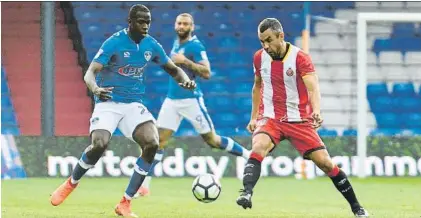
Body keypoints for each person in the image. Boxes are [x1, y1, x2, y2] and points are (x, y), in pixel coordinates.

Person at [49, 4, 196, 218]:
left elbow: (173, 69)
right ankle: (72, 183)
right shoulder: (114, 43)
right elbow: (90, 73)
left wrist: (185, 81)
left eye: (148, 22)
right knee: (99, 144)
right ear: (130, 22)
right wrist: (96, 88)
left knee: (152, 143)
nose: (146, 25)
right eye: (141, 21)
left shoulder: (151, 46)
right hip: (108, 103)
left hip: (133, 105)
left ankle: (125, 203)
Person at [235, 18, 369, 218]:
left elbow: (313, 86)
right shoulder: (259, 58)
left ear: (281, 36)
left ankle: (357, 208)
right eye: (262, 41)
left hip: (299, 120)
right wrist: (254, 117)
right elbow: (257, 86)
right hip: (271, 117)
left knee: (325, 163)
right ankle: (246, 193)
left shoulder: (300, 57)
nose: (265, 46)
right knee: (258, 146)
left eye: (269, 40)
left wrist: (316, 110)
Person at [136, 13, 250, 197]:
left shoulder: (195, 46)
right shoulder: (177, 43)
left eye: (185, 24)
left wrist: (186, 61)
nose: (182, 26)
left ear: (192, 27)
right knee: (157, 142)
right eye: (179, 23)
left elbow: (207, 72)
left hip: (191, 100)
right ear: (175, 25)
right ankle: (144, 186)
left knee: (212, 140)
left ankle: (248, 155)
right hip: (172, 100)